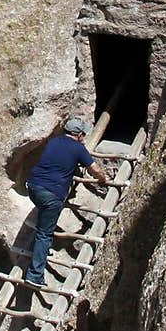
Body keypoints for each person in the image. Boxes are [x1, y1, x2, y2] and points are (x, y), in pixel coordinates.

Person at [24, 118, 106, 285]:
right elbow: (94, 169)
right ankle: (35, 275)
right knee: (44, 234)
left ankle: (43, 251)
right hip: (51, 194)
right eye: (83, 133)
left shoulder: (54, 142)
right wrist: (103, 179)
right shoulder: (78, 148)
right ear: (78, 134)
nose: (84, 136)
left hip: (33, 186)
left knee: (44, 220)